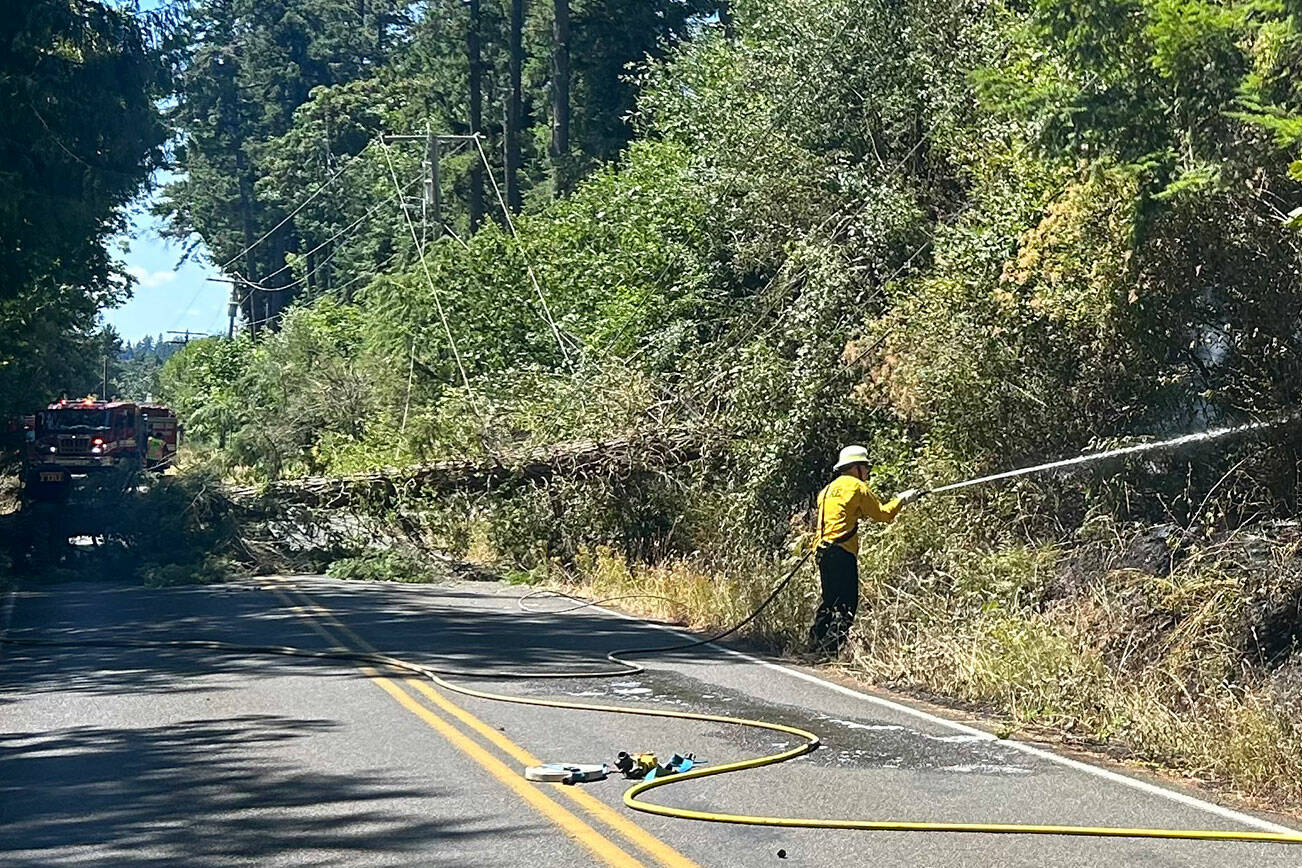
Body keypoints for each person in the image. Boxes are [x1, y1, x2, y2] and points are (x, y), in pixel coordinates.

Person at [809, 445, 921, 654]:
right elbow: (883, 515)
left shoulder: (827, 491)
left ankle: (814, 643)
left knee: (830, 601)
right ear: (856, 468)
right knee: (846, 605)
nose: (867, 473)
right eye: (865, 468)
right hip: (842, 552)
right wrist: (902, 500)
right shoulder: (857, 488)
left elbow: (841, 516)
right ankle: (829, 652)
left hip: (822, 552)